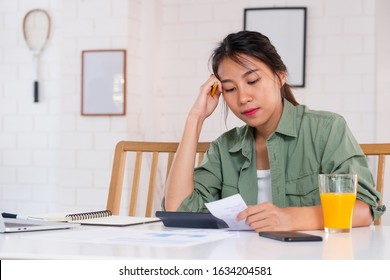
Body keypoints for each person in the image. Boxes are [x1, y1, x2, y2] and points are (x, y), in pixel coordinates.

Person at [163, 30, 385, 232]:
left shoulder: (326, 130)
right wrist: (195, 118)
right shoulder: (225, 148)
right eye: (230, 89)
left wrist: (290, 219)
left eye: (252, 80)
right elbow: (178, 210)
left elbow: (364, 209)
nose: (243, 98)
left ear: (280, 77)